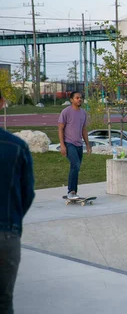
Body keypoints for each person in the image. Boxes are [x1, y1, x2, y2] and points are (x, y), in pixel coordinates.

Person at [0, 89, 35, 314]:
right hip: (6, 235)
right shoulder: (17, 146)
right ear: (2, 103)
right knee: (4, 302)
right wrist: (12, 223)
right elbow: (27, 193)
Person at [58, 91, 91, 200]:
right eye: (77, 98)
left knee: (76, 167)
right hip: (69, 143)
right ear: (72, 100)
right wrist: (62, 145)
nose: (79, 99)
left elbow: (84, 130)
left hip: (79, 144)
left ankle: (73, 192)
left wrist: (88, 145)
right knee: (75, 164)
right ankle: (71, 191)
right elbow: (60, 128)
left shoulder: (83, 113)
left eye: (81, 98)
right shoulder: (66, 112)